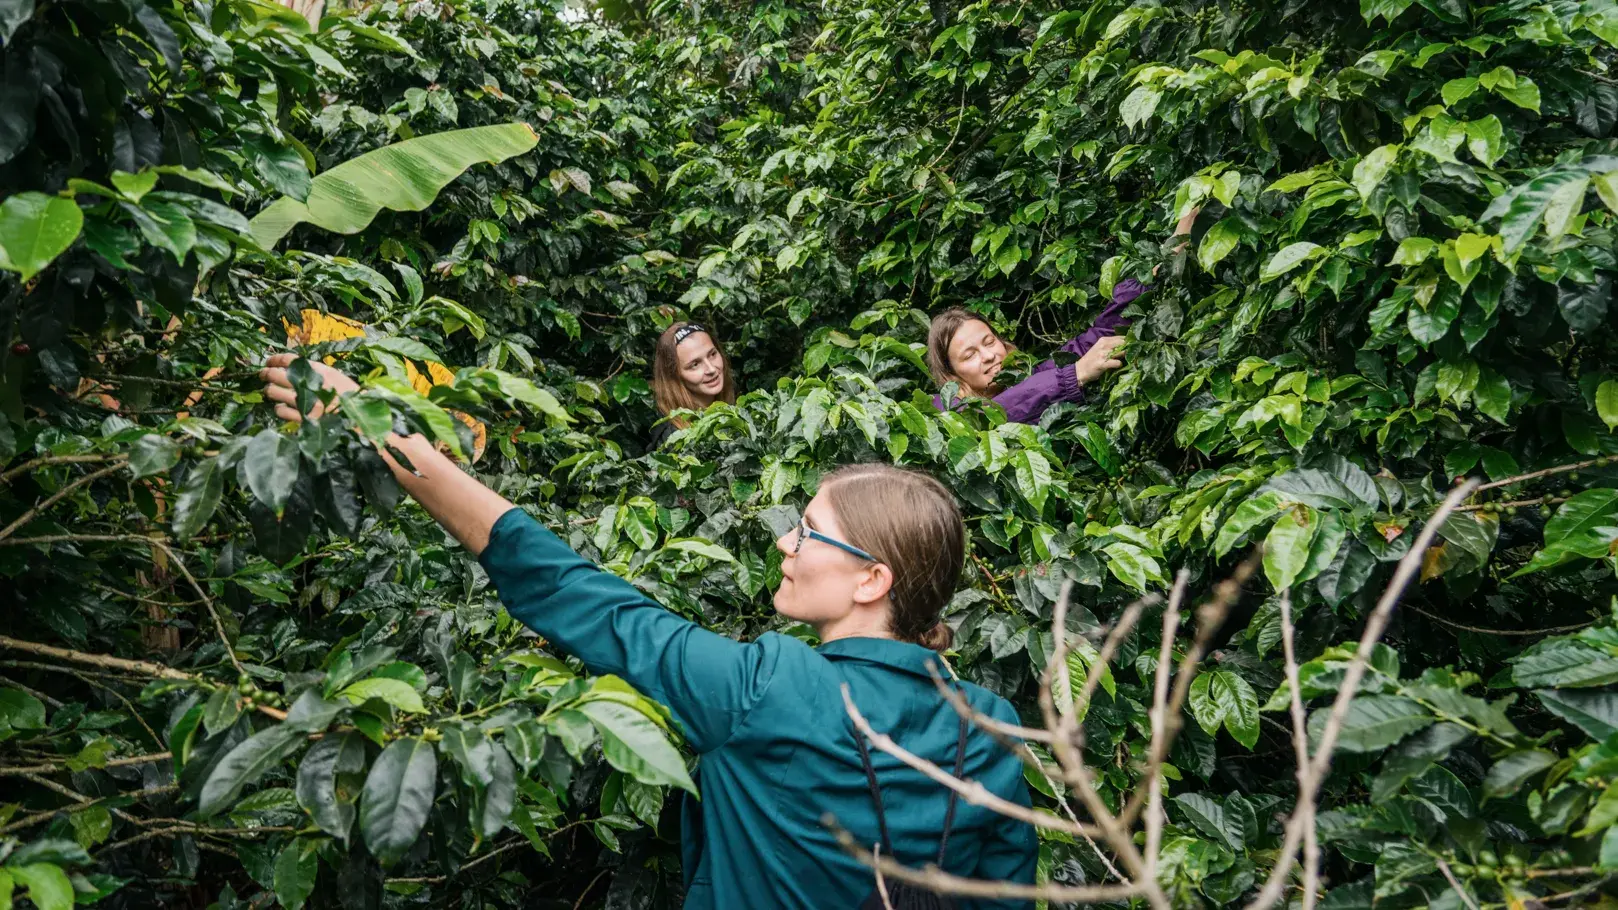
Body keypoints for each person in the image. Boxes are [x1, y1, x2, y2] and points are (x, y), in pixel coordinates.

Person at [258, 353, 1038, 910]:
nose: (785, 543)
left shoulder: (767, 689)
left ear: (872, 579)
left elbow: (573, 592)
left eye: (808, 532)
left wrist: (385, 433)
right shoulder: (993, 730)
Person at [926, 209, 1199, 425]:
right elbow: (989, 417)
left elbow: (1093, 340)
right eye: (969, 355)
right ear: (951, 374)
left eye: (989, 342)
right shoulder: (946, 411)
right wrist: (1075, 374)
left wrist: (1170, 252)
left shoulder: (1027, 377)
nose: (988, 356)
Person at [649, 321, 737, 449]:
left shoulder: (730, 408)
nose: (711, 369)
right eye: (695, 364)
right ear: (675, 376)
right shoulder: (675, 438)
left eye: (712, 354)